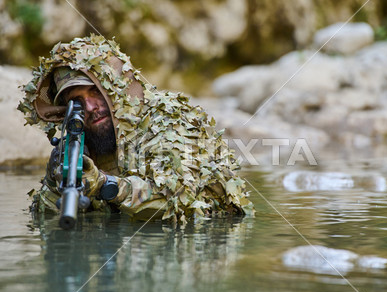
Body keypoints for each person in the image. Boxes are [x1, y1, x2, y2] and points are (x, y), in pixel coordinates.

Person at [18, 34, 254, 223]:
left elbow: (181, 203)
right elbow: (45, 220)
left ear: (116, 90)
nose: (89, 107)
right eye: (77, 100)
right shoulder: (82, 141)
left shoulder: (170, 121)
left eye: (95, 92)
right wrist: (54, 183)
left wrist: (104, 185)